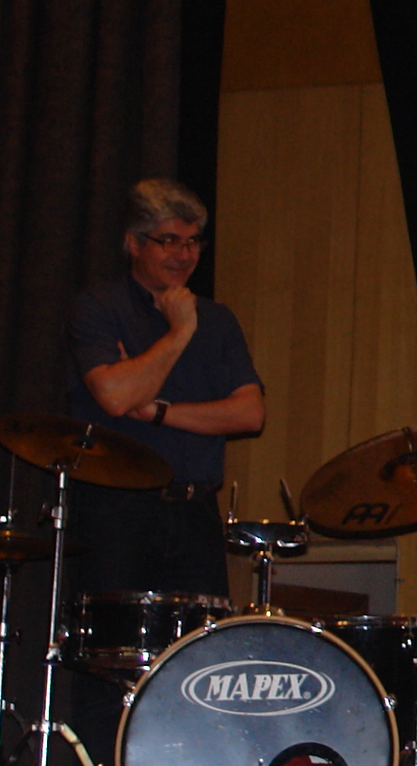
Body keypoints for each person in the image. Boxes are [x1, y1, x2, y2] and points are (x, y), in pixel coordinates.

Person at [64, 178, 266, 600]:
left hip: (196, 511)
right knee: (115, 636)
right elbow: (115, 397)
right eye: (169, 241)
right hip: (118, 511)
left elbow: (250, 414)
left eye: (193, 242)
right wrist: (179, 332)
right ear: (133, 243)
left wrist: (158, 411)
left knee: (201, 637)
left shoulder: (218, 320)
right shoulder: (100, 308)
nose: (184, 255)